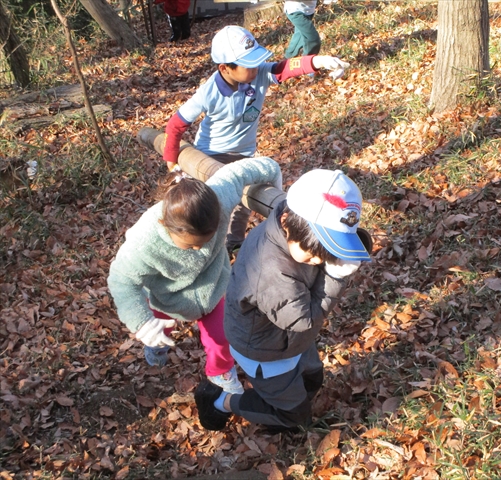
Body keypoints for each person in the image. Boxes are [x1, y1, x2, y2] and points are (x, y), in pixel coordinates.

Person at [193, 169, 372, 432]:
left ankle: (285, 404)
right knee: (293, 415)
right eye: (314, 254)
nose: (320, 262)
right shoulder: (272, 270)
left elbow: (302, 312)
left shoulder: (288, 226)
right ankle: (221, 401)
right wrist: (336, 276)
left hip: (289, 340)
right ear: (287, 220)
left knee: (312, 378)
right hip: (265, 351)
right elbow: (303, 320)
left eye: (328, 253)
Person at [162, 25, 350, 252]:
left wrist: (318, 61)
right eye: (248, 64)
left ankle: (235, 245)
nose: (255, 68)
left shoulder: (259, 73)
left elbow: (285, 68)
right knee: (216, 204)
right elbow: (175, 125)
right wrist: (171, 162)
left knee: (243, 204)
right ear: (225, 68)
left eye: (256, 61)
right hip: (211, 154)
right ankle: (206, 248)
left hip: (244, 154)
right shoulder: (209, 92)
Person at [107, 157, 282, 396]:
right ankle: (155, 350)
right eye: (191, 246)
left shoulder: (219, 196)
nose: (199, 250)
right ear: (166, 226)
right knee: (161, 332)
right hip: (167, 297)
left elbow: (246, 170)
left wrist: (278, 192)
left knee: (223, 337)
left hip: (213, 288)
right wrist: (142, 323)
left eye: (206, 242)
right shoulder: (143, 241)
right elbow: (121, 280)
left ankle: (220, 371)